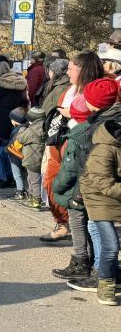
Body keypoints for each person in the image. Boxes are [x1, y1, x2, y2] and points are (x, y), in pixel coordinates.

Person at [50, 78, 120, 287]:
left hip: (92, 188)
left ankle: (99, 272)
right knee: (98, 230)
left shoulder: (92, 130)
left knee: (96, 230)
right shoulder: (111, 120)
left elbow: (76, 166)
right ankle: (102, 270)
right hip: (101, 185)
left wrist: (59, 188)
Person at [40, 53, 102, 243]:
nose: (67, 72)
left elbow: (97, 115)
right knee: (51, 182)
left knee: (74, 189)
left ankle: (81, 239)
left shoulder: (97, 90)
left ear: (83, 70)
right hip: (59, 140)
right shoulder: (69, 89)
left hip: (80, 144)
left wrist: (71, 113)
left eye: (71, 69)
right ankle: (62, 223)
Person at [78, 92, 121, 305]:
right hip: (98, 199)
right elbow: (104, 184)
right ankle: (105, 284)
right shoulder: (104, 149)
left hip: (115, 196)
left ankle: (113, 274)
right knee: (111, 246)